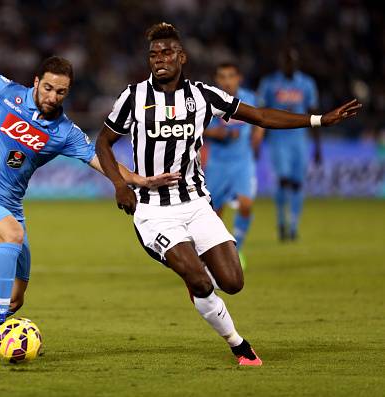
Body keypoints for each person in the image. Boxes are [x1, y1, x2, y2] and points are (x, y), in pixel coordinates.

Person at [0, 43, 180, 364]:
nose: (53, 96)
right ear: (36, 82)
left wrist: (136, 180)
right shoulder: (4, 91)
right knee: (11, 238)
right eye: (49, 87)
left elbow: (100, 160)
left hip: (11, 209)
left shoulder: (64, 132)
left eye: (61, 92)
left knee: (15, 298)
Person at [95, 22, 360, 366]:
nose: (159, 59)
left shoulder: (205, 96)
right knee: (199, 279)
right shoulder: (133, 97)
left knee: (233, 283)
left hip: (196, 204)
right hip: (153, 212)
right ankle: (238, 344)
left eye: (166, 53)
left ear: (182, 57)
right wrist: (119, 183)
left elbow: (261, 116)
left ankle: (200, 285)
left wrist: (318, 120)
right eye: (153, 54)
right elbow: (103, 140)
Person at [203, 62, 264, 268]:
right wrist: (215, 133)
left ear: (239, 78)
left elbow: (260, 120)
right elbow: (196, 128)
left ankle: (236, 250)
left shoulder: (249, 98)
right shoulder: (209, 100)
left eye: (231, 76)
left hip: (242, 162)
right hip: (218, 164)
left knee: (246, 204)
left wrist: (258, 136)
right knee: (214, 214)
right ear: (217, 80)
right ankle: (213, 254)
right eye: (222, 77)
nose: (227, 81)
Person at [257, 48, 320, 241]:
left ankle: (293, 226)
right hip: (278, 140)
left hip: (300, 140)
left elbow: (314, 114)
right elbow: (260, 114)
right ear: (281, 63)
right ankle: (281, 223)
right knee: (283, 181)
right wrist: (257, 141)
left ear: (297, 63)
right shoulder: (269, 83)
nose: (289, 65)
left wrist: (318, 146)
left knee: (297, 183)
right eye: (286, 62)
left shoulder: (307, 84)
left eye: (292, 61)